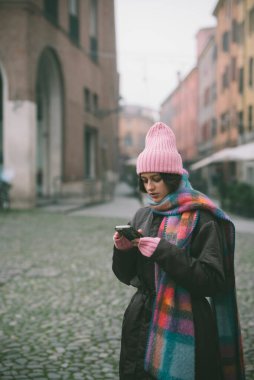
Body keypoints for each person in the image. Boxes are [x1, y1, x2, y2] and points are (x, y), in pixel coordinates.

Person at [112, 122, 245, 380]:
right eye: (144, 180)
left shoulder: (201, 218)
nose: (149, 187)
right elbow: (126, 276)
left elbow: (212, 282)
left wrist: (163, 251)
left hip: (190, 325)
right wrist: (123, 250)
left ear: (172, 177)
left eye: (156, 179)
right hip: (140, 321)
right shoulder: (142, 215)